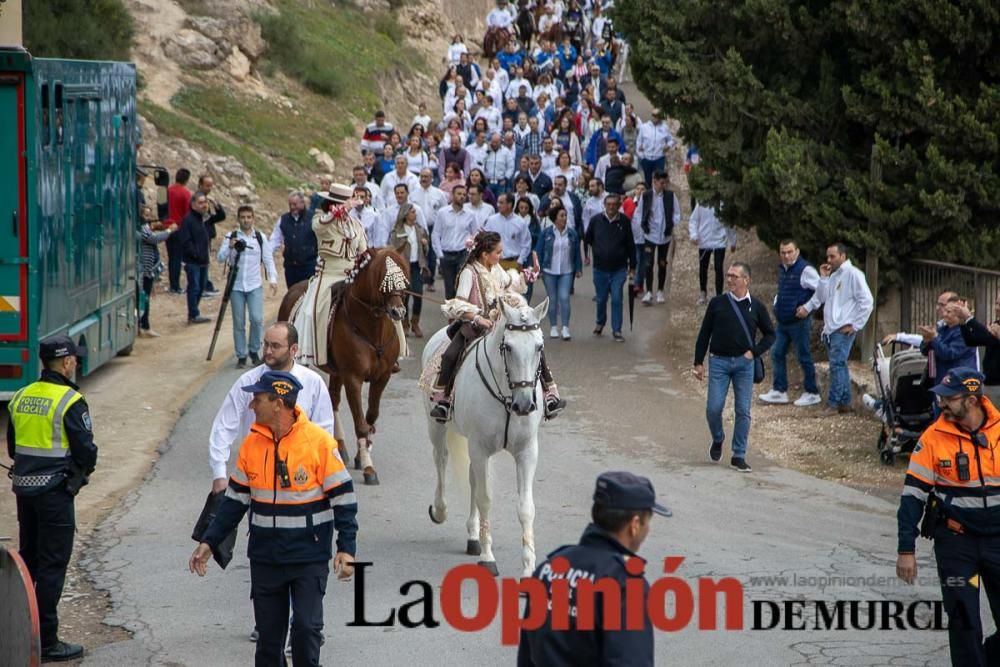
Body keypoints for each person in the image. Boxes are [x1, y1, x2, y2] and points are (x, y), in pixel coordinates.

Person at [190, 371, 358, 667]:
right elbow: (234, 501)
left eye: (257, 399)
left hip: (308, 557)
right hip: (266, 558)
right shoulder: (251, 446)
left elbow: (344, 498)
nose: (252, 405)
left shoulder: (319, 443)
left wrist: (347, 548)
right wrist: (209, 541)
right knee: (268, 642)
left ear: (278, 403)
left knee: (306, 631)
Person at [895, 367, 1000, 667]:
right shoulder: (933, 438)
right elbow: (912, 497)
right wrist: (906, 550)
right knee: (964, 625)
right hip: (956, 544)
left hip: (997, 542)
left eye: (949, 398)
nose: (942, 404)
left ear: (971, 399)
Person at [516, 471, 671, 667]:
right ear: (635, 525)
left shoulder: (549, 569)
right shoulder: (625, 584)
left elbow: (526, 658)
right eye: (648, 521)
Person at [7, 335, 98, 662]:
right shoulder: (70, 400)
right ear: (68, 362)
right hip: (55, 496)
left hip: (24, 492)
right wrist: (76, 477)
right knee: (52, 565)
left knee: (29, 561)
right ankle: (45, 641)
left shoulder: (21, 396)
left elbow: (13, 448)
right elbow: (87, 452)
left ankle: (20, 631)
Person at [429, 231, 565, 421]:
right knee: (451, 354)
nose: (501, 256)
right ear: (485, 254)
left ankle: (549, 394)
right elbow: (458, 304)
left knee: (533, 345)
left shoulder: (496, 268)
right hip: (476, 324)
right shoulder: (469, 272)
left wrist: (528, 275)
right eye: (498, 252)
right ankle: (444, 400)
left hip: (501, 322)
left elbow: (513, 285)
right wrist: (478, 318)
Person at [693, 262, 776, 473]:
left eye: (734, 276)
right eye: (728, 275)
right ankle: (718, 437)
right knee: (713, 408)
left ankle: (739, 454)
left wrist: (754, 353)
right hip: (719, 362)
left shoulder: (756, 306)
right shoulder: (717, 303)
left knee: (743, 411)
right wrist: (698, 362)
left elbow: (770, 334)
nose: (729, 279)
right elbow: (705, 333)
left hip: (744, 364)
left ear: (746, 280)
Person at [293, 185, 368, 369]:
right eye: (342, 204)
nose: (347, 208)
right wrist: (345, 207)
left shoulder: (356, 225)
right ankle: (306, 352)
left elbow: (364, 251)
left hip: (352, 275)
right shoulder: (320, 219)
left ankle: (390, 354)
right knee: (310, 311)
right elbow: (323, 224)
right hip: (328, 274)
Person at [758, 239, 823, 407]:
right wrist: (777, 303)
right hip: (783, 321)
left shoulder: (805, 270)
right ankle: (780, 391)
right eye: (783, 252)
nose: (786, 255)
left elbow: (822, 291)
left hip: (799, 322)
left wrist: (808, 308)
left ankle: (812, 392)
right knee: (777, 352)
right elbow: (784, 290)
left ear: (797, 252)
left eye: (789, 252)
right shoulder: (784, 270)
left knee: (803, 355)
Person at [816, 243, 874, 413]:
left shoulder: (854, 274)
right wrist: (823, 278)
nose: (829, 260)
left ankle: (834, 403)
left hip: (842, 328)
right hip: (831, 329)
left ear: (843, 256)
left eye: (832, 256)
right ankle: (845, 402)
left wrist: (855, 324)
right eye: (828, 256)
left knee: (836, 365)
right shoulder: (833, 276)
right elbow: (821, 297)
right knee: (839, 365)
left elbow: (867, 301)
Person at [218, 206, 278, 368]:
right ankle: (241, 355)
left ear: (253, 219)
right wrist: (230, 246)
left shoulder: (259, 238)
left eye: (248, 217)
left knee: (257, 319)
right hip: (236, 286)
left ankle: (254, 350)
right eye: (243, 217)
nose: (246, 220)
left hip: (254, 284)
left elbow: (268, 259)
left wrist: (273, 279)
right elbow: (220, 258)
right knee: (239, 322)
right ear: (238, 219)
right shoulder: (231, 236)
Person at [584, 193, 635, 342]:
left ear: (619, 206)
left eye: (614, 204)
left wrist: (633, 265)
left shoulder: (625, 222)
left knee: (617, 298)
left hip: (619, 268)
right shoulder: (596, 221)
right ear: (604, 205)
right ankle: (600, 322)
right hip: (600, 268)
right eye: (609, 204)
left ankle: (617, 330)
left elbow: (630, 244)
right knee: (601, 299)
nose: (611, 207)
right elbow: (588, 239)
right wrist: (588, 255)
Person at [631, 170, 680, 305]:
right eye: (661, 183)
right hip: (650, 234)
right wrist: (643, 226)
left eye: (665, 183)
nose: (664, 185)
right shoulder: (646, 196)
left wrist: (671, 225)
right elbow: (639, 212)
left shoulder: (670, 196)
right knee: (648, 262)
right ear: (655, 181)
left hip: (665, 235)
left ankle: (660, 291)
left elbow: (676, 213)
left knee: (662, 263)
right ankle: (648, 292)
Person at [536, 207, 582, 340]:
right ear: (555, 218)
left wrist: (578, 268)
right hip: (549, 270)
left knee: (564, 297)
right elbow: (538, 250)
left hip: (566, 271)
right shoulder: (546, 233)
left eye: (565, 216)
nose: (564, 218)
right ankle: (553, 327)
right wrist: (537, 268)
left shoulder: (572, 234)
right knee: (553, 299)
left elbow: (577, 253)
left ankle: (566, 327)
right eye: (561, 216)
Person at [391, 203, 431, 338]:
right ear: (406, 214)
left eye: (415, 211)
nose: (415, 214)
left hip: (417, 266)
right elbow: (393, 249)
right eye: (413, 212)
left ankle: (415, 323)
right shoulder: (397, 231)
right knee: (405, 296)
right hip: (403, 266)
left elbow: (426, 251)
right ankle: (405, 323)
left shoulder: (419, 229)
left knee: (418, 294)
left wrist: (425, 245)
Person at [433, 185, 479, 299]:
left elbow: (476, 234)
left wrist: (471, 248)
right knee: (449, 289)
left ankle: (462, 315)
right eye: (459, 194)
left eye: (464, 194)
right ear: (452, 195)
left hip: (462, 254)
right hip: (446, 254)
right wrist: (440, 255)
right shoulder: (442, 213)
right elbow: (436, 234)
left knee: (462, 287)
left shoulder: (470, 214)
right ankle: (452, 315)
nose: (462, 196)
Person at [138, 205, 177, 338]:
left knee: (145, 297)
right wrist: (168, 231)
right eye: (146, 215)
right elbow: (153, 239)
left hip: (147, 270)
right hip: (144, 270)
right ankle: (145, 326)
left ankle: (142, 324)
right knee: (145, 298)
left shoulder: (144, 227)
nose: (148, 219)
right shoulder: (142, 228)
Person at [956, 292, 1000, 405]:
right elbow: (974, 341)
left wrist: (969, 319)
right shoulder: (996, 324)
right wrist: (963, 324)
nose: (997, 308)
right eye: (996, 303)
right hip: (990, 383)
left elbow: (986, 336)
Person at [175, 192, 212, 324]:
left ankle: (194, 312)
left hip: (203, 260)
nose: (204, 205)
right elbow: (185, 241)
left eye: (205, 202)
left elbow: (220, 216)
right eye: (200, 203)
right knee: (194, 286)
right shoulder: (188, 220)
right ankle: (193, 314)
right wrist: (195, 254)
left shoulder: (204, 219)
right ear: (193, 204)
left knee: (201, 287)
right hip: (193, 261)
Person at [688, 200, 736, 304]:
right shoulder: (701, 204)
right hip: (704, 241)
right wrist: (694, 235)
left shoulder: (723, 205)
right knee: (703, 267)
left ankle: (719, 295)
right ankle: (703, 292)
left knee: (718, 267)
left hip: (719, 241)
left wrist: (733, 241)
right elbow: (694, 220)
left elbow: (729, 224)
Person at [270, 192, 318, 289]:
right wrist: (267, 254)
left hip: (309, 267)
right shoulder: (283, 220)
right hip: (291, 268)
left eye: (295, 204)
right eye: (290, 204)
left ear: (302, 203)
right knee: (292, 297)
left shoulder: (314, 218)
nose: (292, 207)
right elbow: (274, 240)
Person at [195, 174, 226, 295]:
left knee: (205, 261)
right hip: (200, 236)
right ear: (200, 185)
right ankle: (202, 287)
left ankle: (205, 284)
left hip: (206, 236)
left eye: (211, 186)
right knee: (201, 262)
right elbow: (203, 219)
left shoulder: (206, 200)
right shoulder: (198, 200)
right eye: (207, 185)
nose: (209, 188)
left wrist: (218, 207)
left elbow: (213, 219)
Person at [165, 168, 193, 294]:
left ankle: (172, 283)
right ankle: (175, 286)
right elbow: (188, 213)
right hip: (179, 228)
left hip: (166, 227)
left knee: (171, 257)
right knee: (177, 257)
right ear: (186, 180)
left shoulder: (167, 191)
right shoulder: (185, 193)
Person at [635, 109, 675, 185]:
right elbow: (638, 141)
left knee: (659, 179)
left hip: (659, 158)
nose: (655, 118)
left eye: (657, 116)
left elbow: (671, 140)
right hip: (646, 158)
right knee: (647, 180)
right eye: (654, 115)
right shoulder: (644, 127)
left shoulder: (665, 128)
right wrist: (642, 156)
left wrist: (668, 146)